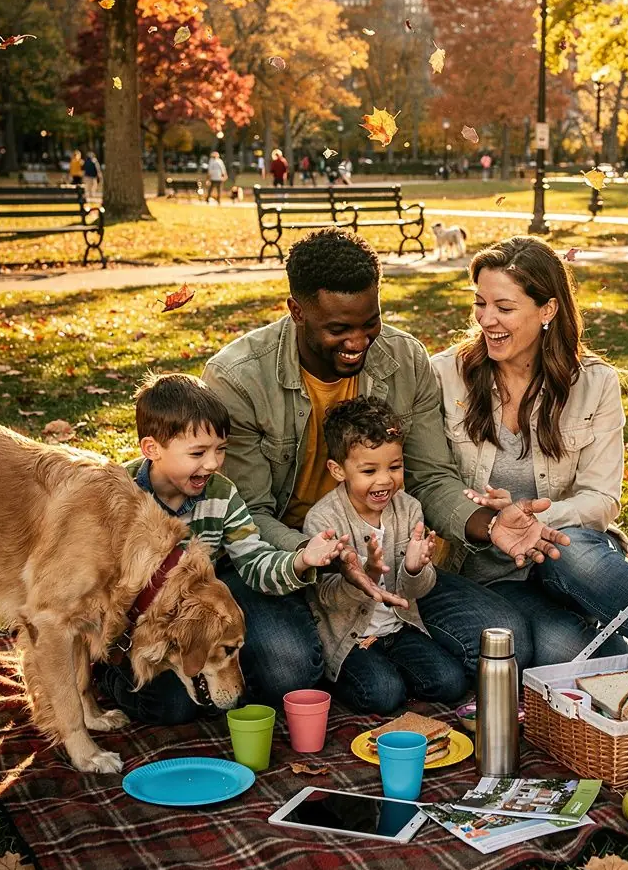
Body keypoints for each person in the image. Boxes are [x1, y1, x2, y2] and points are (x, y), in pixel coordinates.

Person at [202, 228, 570, 697]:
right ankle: (339, 643)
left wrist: (486, 523)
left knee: (500, 632)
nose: (359, 342)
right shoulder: (239, 379)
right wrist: (326, 558)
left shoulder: (403, 359)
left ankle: (366, 642)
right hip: (287, 561)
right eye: (338, 329)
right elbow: (250, 515)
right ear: (296, 311)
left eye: (369, 323)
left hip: (391, 560)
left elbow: (432, 476)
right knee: (289, 668)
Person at [431, 236, 628, 668]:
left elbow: (602, 498)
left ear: (547, 310)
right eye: (480, 304)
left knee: (574, 557)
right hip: (492, 572)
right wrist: (494, 520)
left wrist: (536, 521)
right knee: (561, 649)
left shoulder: (594, 383)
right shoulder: (445, 375)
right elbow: (430, 483)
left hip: (567, 553)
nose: (486, 320)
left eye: (505, 308)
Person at [95, 373, 348, 723]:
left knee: (291, 674)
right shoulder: (117, 495)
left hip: (213, 595)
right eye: (198, 452)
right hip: (136, 622)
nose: (213, 463)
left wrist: (301, 560)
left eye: (221, 449)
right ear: (152, 449)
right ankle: (109, 675)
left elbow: (254, 559)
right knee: (172, 706)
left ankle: (230, 672)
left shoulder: (221, 494)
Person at [304, 396, 469, 713]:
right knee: (382, 694)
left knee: (451, 682)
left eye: (395, 467)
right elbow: (325, 597)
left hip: (397, 630)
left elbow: (416, 591)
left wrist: (414, 568)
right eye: (369, 470)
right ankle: (354, 676)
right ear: (338, 470)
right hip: (350, 640)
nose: (384, 480)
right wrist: (368, 575)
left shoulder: (408, 509)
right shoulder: (324, 520)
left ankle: (393, 674)